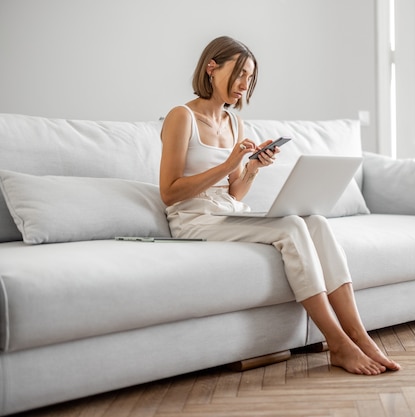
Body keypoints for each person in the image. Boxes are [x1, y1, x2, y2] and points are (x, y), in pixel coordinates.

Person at [159, 36, 400, 375]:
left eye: (251, 78)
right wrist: (229, 165)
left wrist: (252, 168)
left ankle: (359, 333)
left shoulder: (234, 122)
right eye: (240, 73)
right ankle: (338, 343)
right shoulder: (181, 117)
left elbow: (235, 193)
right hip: (192, 217)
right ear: (212, 68)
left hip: (226, 210)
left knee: (314, 220)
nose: (245, 85)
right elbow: (169, 193)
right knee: (291, 226)